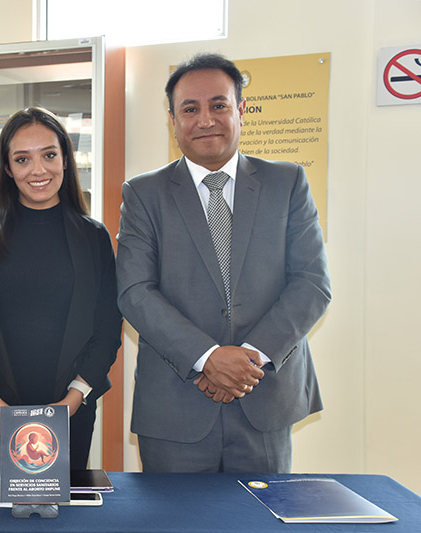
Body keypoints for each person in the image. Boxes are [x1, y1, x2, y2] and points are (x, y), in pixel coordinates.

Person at [116, 53, 331, 473]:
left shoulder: (286, 183)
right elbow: (134, 292)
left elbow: (312, 283)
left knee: (260, 520)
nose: (205, 119)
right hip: (176, 408)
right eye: (190, 109)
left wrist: (248, 359)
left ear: (241, 110)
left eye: (219, 105)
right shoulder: (143, 194)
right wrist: (208, 356)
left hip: (264, 400)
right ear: (173, 119)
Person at [0, 106, 122, 471]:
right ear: (8, 169)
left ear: (65, 158)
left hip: (70, 414)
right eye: (22, 159)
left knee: (61, 524)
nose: (38, 170)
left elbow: (107, 330)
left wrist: (70, 403)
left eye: (48, 155)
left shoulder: (93, 237)